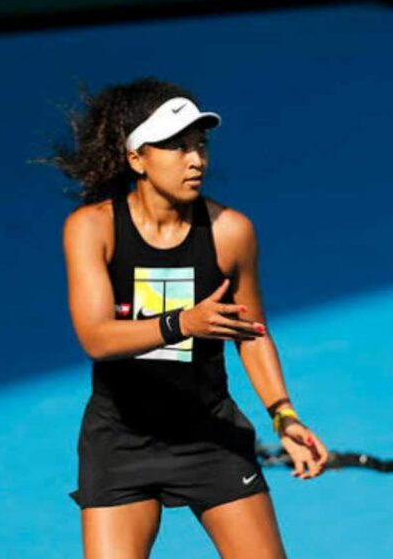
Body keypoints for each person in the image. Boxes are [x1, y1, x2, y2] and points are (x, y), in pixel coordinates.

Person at [53, 77, 326, 558]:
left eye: (200, 144)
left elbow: (253, 334)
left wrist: (284, 415)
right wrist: (184, 323)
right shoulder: (91, 228)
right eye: (176, 147)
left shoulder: (230, 231)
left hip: (209, 435)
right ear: (136, 158)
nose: (196, 159)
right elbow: (96, 338)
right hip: (121, 441)